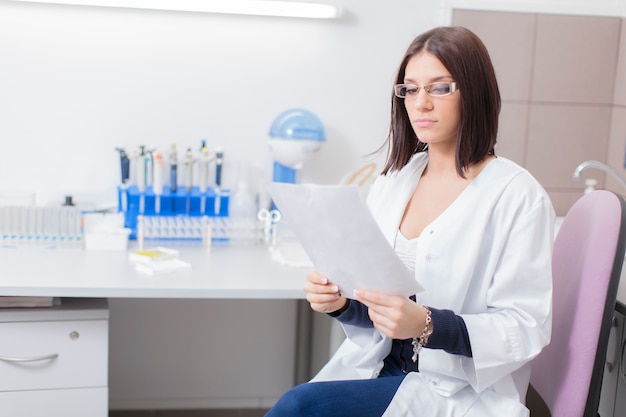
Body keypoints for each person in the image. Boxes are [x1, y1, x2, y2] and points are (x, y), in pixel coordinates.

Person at [265, 26, 555, 417]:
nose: (421, 104)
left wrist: (428, 325)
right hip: (383, 369)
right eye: (411, 89)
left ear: (475, 93)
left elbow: (524, 327)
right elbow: (380, 305)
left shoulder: (516, 195)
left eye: (440, 88)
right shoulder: (394, 180)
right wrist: (339, 303)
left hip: (457, 390)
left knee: (299, 406)